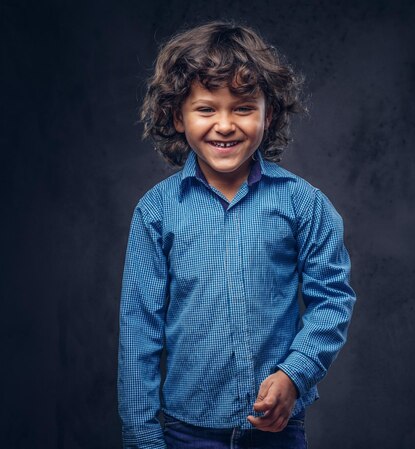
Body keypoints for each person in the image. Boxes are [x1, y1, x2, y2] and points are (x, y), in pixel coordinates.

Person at [117, 20, 356, 449]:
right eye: (206, 109)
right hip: (183, 433)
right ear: (177, 116)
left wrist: (294, 374)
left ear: (269, 113)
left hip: (278, 433)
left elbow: (333, 300)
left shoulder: (304, 204)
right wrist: (142, 438)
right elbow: (139, 331)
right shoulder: (156, 212)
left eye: (243, 108)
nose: (225, 125)